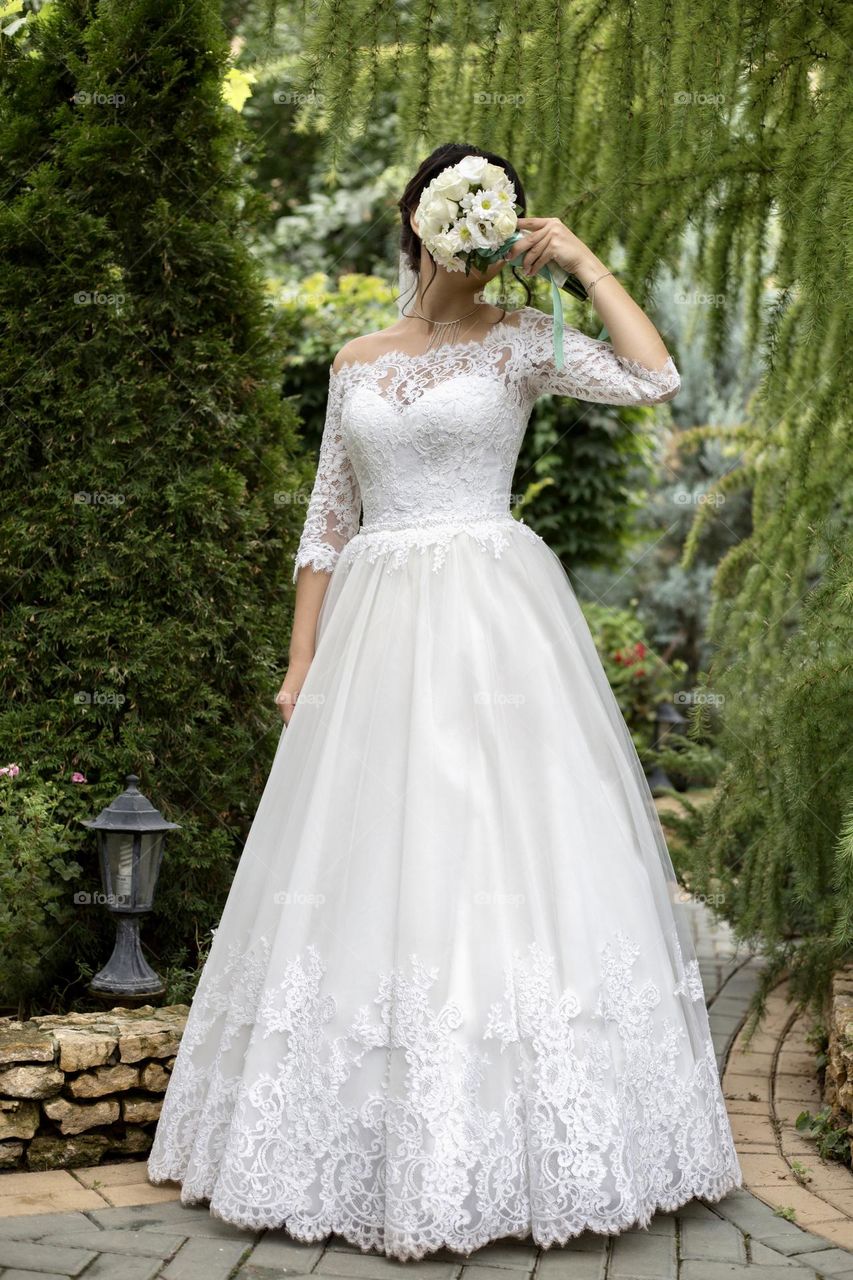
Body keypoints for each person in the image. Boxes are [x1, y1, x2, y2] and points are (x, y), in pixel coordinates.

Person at [148, 142, 742, 1260]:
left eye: (488, 207)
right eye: (449, 203)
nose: (464, 225)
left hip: (493, 622)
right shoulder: (355, 359)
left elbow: (656, 377)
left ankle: (535, 1144)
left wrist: (578, 262)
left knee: (500, 852)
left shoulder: (526, 341)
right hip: (375, 629)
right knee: (372, 860)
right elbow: (325, 522)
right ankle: (359, 1143)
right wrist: (297, 664)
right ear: (413, 217)